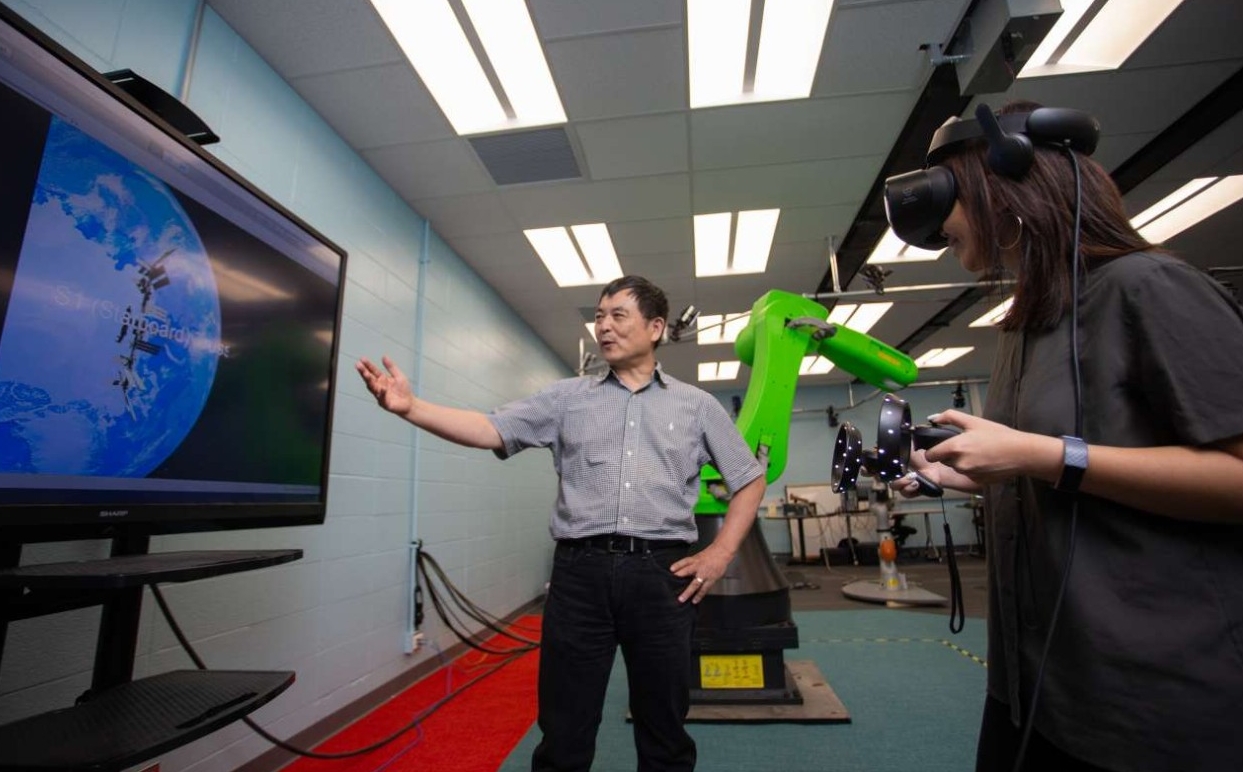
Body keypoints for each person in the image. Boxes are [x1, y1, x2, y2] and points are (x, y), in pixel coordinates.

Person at [887, 102, 1243, 772]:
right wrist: (993, 471)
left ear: (1000, 185)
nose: (939, 225)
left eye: (948, 193)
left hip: (1150, 702)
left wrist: (1040, 455)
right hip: (1034, 684)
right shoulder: (1026, 324)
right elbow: (1069, 464)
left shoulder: (1147, 287)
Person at [356, 275, 766, 772]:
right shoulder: (566, 399)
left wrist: (720, 553)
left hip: (663, 578)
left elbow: (748, 478)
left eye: (618, 315)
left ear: (656, 327)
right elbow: (491, 428)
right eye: (599, 316)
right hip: (580, 577)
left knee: (665, 726)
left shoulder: (697, 405)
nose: (604, 327)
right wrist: (411, 407)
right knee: (564, 729)